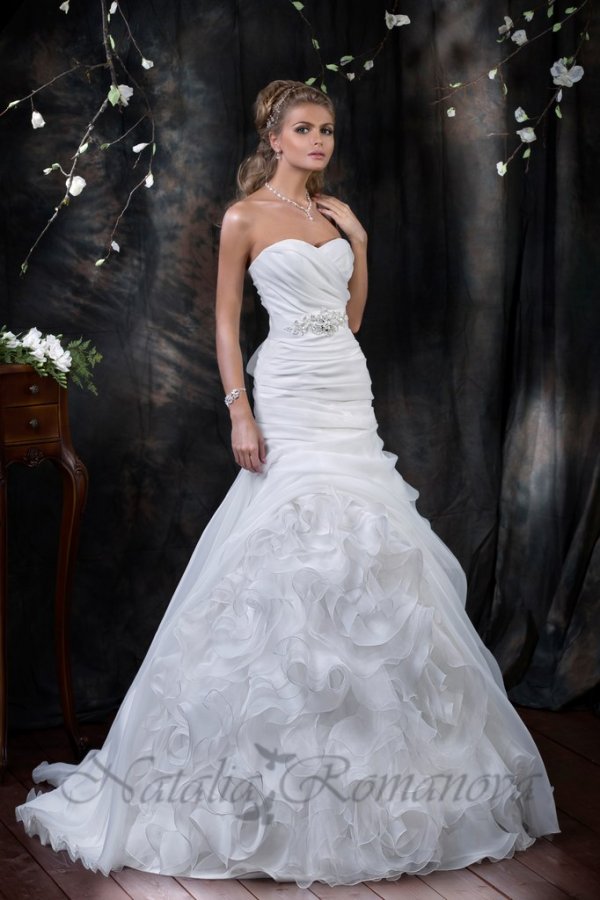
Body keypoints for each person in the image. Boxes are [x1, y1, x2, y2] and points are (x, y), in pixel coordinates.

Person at [15, 79, 560, 888]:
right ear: (273, 138)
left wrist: (360, 244)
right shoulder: (244, 217)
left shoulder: (334, 216)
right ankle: (261, 768)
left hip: (345, 386)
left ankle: (376, 763)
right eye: (305, 129)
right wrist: (239, 409)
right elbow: (225, 322)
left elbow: (351, 320)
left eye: (327, 130)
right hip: (288, 391)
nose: (319, 141)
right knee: (294, 546)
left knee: (368, 552)